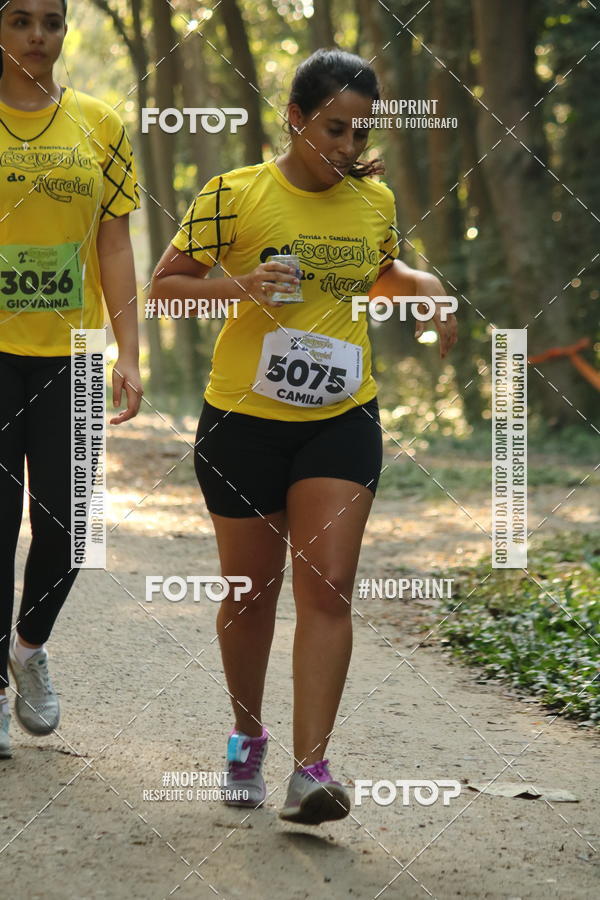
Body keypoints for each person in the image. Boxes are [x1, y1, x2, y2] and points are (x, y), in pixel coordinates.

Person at [151, 48, 457, 824]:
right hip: (243, 423)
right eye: (333, 130)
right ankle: (245, 738)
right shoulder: (234, 194)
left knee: (330, 585)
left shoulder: (374, 201)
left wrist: (422, 284)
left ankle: (311, 770)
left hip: (341, 420)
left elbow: (374, 275)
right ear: (295, 119)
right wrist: (242, 286)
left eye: (360, 133)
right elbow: (164, 290)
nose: (348, 147)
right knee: (251, 595)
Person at [0, 0, 142, 760]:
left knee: (71, 528)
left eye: (51, 22)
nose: (38, 36)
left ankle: (27, 647)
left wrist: (130, 352)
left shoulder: (100, 124)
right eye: (20, 20)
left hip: (76, 352)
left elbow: (114, 244)